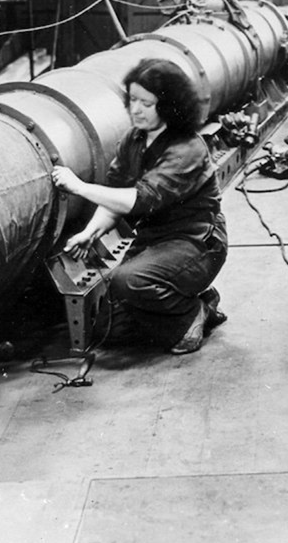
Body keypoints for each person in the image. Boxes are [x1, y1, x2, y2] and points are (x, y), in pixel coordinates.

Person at [51, 58, 227, 355]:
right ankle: (196, 300)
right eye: (132, 100)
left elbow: (139, 199)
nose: (136, 110)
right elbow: (116, 197)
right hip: (155, 242)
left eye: (147, 103)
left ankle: (192, 314)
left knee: (128, 282)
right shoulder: (133, 140)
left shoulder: (187, 148)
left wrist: (79, 187)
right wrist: (91, 232)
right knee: (109, 330)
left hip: (195, 242)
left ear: (168, 105)